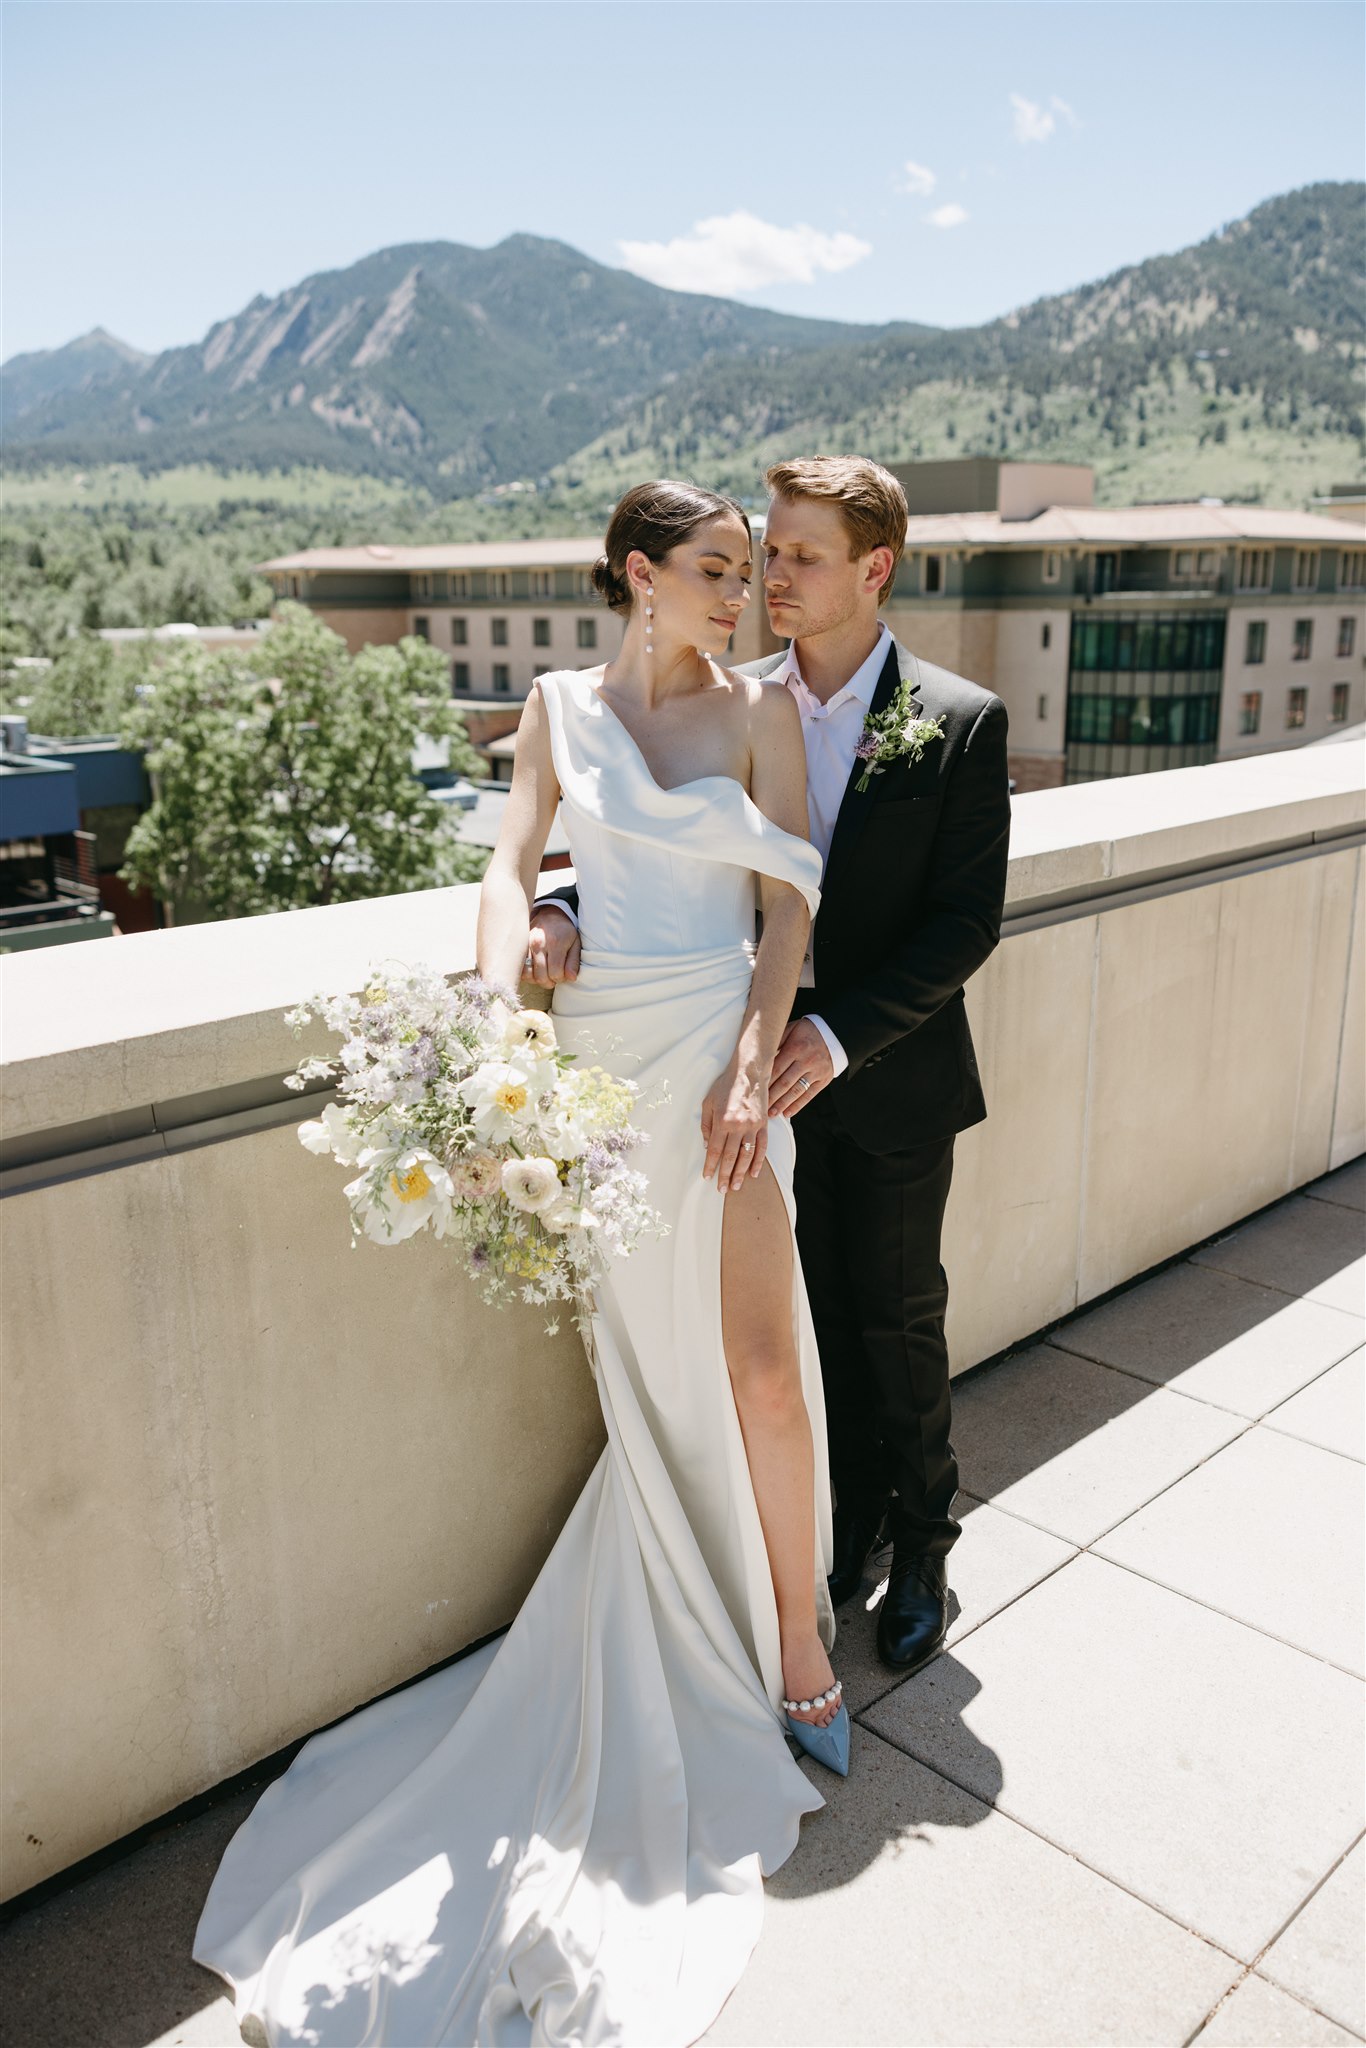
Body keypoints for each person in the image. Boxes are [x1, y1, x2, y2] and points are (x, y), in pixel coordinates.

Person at [193, 481, 849, 2048]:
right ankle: (693, 1637)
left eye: (753, 572)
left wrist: (754, 1067)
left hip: (718, 1066)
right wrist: (500, 1011)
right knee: (652, 1391)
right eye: (715, 569)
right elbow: (510, 867)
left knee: (760, 1370)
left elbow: (786, 912)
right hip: (599, 1080)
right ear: (639, 576)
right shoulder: (555, 707)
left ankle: (802, 1657)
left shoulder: (762, 714)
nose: (744, 594)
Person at [531, 457, 1011, 1677]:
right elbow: (663, 840)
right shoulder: (731, 696)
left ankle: (924, 1550)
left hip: (881, 1070)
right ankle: (830, 1547)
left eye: (797, 556)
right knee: (801, 1328)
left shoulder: (957, 718)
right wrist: (567, 906)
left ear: (873, 569)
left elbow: (965, 924)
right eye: (763, 555)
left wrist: (833, 1033)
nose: (771, 578)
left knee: (897, 1319)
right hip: (720, 1055)